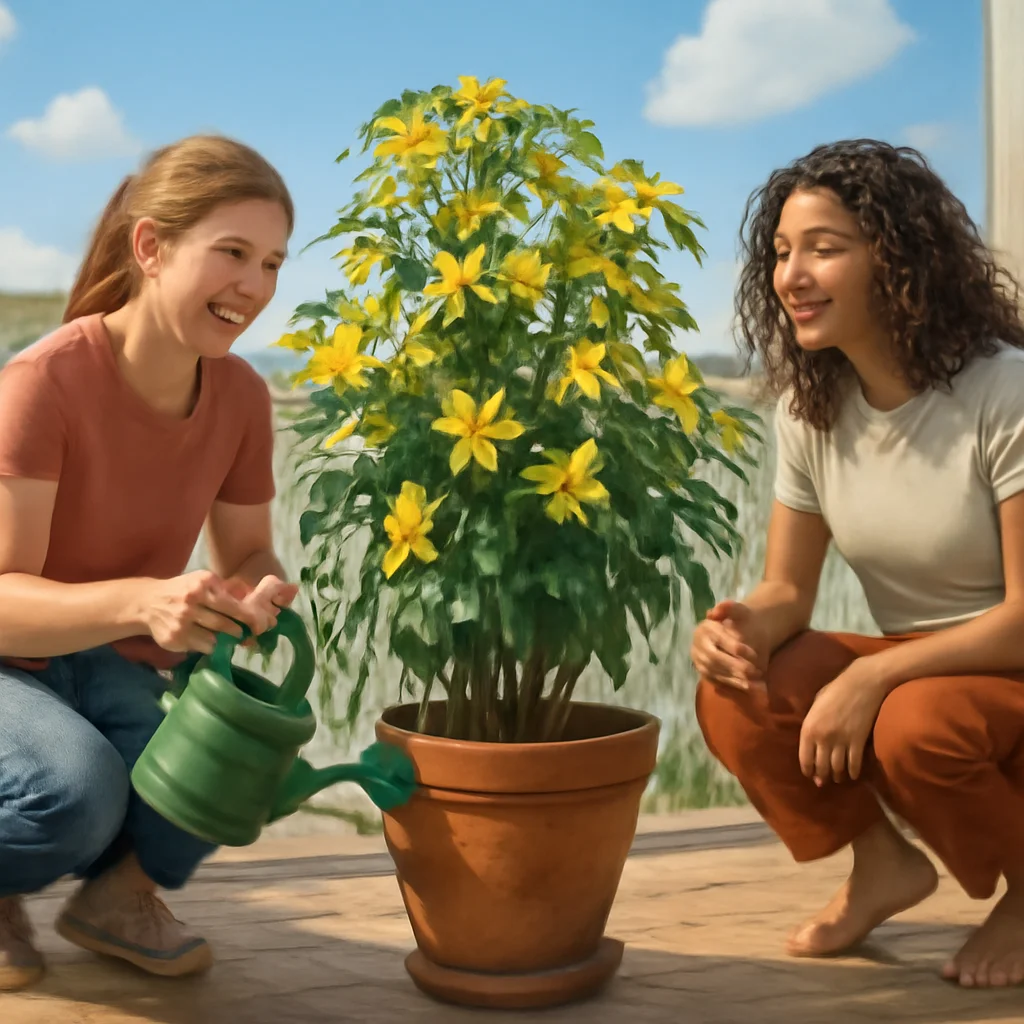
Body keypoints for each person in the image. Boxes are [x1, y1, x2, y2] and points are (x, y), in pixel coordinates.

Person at [691, 139, 1024, 990]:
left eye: (824, 248)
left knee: (915, 726)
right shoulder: (813, 410)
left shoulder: (1004, 392)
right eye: (780, 253)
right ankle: (881, 864)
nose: (791, 275)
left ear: (899, 258)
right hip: (939, 679)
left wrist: (872, 680)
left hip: (992, 676)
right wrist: (739, 631)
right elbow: (787, 591)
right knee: (739, 688)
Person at [0, 135, 300, 991]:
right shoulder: (42, 385)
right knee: (76, 793)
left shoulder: (241, 397)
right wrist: (143, 602)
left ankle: (117, 899)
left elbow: (245, 549)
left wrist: (252, 590)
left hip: (116, 663)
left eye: (272, 262)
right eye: (232, 253)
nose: (255, 285)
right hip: (8, 667)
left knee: (231, 761)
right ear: (151, 248)